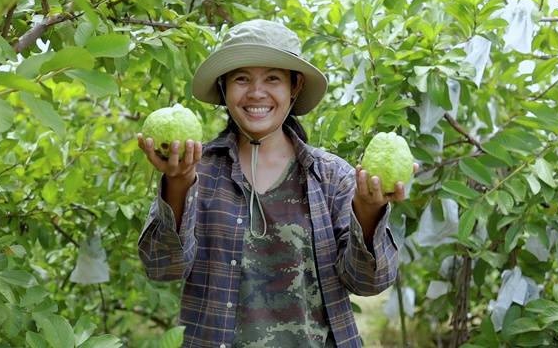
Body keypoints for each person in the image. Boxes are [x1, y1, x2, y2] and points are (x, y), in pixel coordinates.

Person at [137, 19, 417, 348]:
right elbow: (162, 267)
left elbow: (370, 282)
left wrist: (369, 209)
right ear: (225, 87)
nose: (257, 92)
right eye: (242, 78)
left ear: (294, 86)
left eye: (272, 78)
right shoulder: (201, 170)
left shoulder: (332, 177)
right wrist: (179, 182)